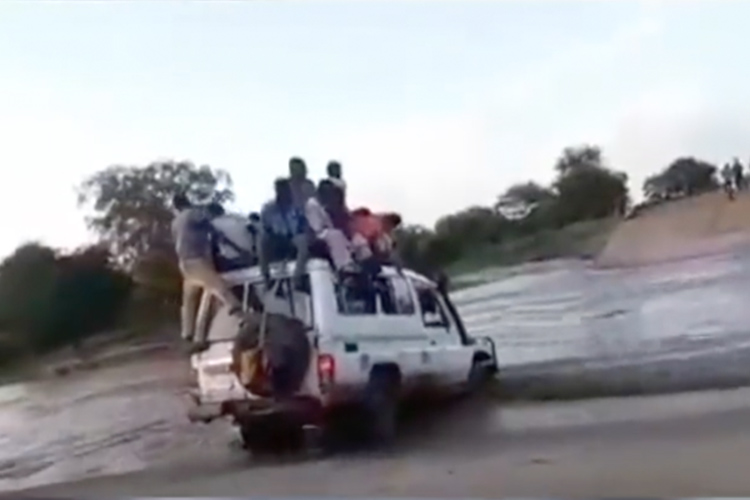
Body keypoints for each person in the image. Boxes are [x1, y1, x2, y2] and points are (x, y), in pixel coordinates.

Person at [171, 193, 244, 350]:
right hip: (197, 260)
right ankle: (241, 317)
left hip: (184, 262)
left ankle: (188, 333)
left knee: (190, 299)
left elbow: (216, 233)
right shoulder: (191, 214)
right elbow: (208, 219)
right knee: (220, 288)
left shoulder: (176, 222)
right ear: (187, 202)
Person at [259, 178, 309, 288]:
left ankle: (297, 276)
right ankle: (265, 275)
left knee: (303, 242)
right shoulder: (268, 209)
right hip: (276, 239)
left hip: (293, 238)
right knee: (262, 240)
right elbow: (265, 227)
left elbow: (302, 225)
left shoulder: (296, 208)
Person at [305, 180, 361, 274]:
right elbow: (317, 227)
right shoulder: (312, 204)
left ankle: (364, 262)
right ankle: (343, 265)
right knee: (335, 235)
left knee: (355, 238)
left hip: (327, 232)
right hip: (316, 235)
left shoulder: (326, 205)